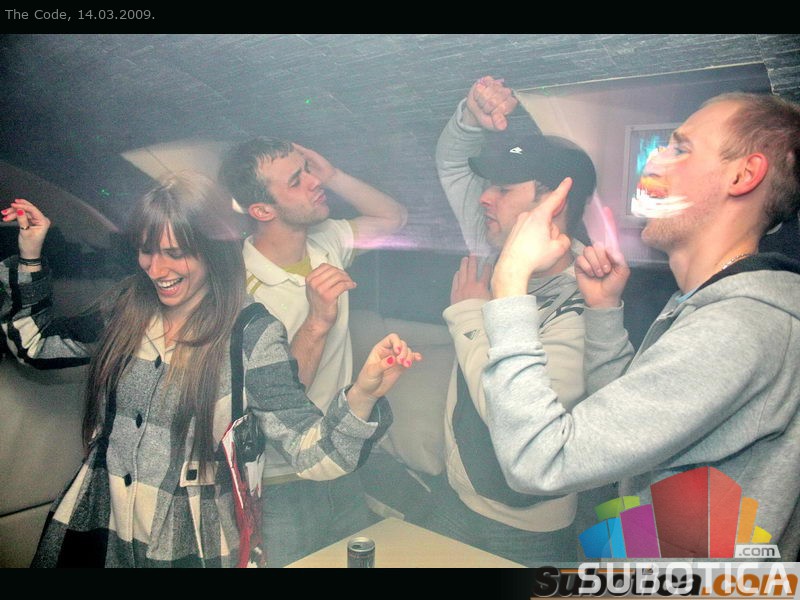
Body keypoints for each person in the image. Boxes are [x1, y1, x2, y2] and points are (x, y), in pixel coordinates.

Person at [0, 172, 420, 568]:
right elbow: (34, 346)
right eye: (146, 251)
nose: (156, 270)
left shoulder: (250, 333)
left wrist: (363, 395)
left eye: (175, 254)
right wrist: (30, 254)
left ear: (212, 250)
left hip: (185, 536)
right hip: (97, 520)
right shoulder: (127, 307)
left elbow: (314, 456)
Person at [481, 92, 800, 559]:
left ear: (743, 175)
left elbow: (538, 460)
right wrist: (604, 310)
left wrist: (510, 281)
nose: (653, 161)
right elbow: (631, 426)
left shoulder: (737, 326)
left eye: (680, 148)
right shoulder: (711, 306)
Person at [423, 75, 598, 565]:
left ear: (552, 203)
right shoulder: (492, 244)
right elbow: (452, 164)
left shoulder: (586, 301)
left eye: (501, 188)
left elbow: (515, 421)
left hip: (527, 528)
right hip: (457, 495)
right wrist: (470, 118)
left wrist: (469, 314)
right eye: (488, 186)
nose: (485, 198)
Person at [218, 138, 408, 565]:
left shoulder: (326, 240)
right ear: (262, 210)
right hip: (279, 480)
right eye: (296, 180)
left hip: (340, 454)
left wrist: (333, 175)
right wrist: (318, 321)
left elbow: (393, 217)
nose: (312, 182)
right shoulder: (240, 288)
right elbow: (281, 399)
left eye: (307, 169)